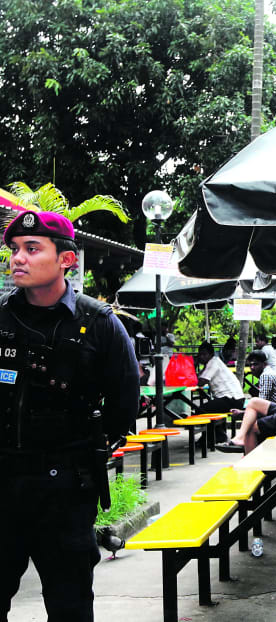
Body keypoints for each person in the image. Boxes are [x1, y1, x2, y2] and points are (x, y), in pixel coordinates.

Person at [0, 210, 139, 620]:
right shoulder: (0, 318)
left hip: (65, 491)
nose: (18, 259)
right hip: (3, 484)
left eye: (32, 248)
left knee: (70, 603)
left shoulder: (99, 324)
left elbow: (123, 405)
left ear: (66, 259)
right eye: (13, 250)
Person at [195, 341, 245, 441]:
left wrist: (193, 365)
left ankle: (211, 438)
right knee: (209, 408)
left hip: (231, 399)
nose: (201, 357)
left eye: (204, 354)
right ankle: (217, 435)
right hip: (235, 399)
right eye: (200, 354)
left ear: (211, 354)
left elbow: (201, 381)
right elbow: (198, 377)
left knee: (201, 410)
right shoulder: (212, 362)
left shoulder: (213, 363)